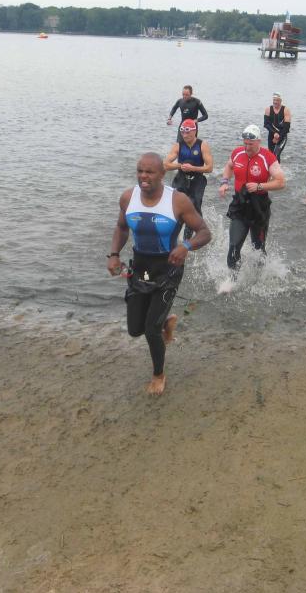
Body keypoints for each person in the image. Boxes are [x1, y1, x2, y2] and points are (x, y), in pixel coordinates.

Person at [107, 153, 211, 395]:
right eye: (140, 171)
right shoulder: (128, 197)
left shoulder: (178, 201)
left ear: (162, 175)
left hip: (168, 268)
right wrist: (113, 255)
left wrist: (186, 246)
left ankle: (158, 375)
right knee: (135, 329)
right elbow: (121, 228)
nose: (143, 176)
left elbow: (204, 232)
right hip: (140, 266)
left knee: (151, 330)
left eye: (150, 172)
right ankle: (164, 322)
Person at [217, 125, 285, 270]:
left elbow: (281, 182)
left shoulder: (268, 157)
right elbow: (229, 166)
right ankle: (232, 279)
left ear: (259, 141)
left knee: (258, 248)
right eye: (245, 143)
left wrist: (259, 186)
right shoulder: (237, 153)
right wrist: (224, 182)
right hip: (240, 204)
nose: (247, 147)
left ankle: (260, 276)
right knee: (233, 247)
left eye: (251, 144)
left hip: (259, 206)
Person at [163, 119, 214, 239]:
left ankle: (188, 239)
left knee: (193, 208)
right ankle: (172, 236)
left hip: (197, 180)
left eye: (187, 132)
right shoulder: (178, 146)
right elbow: (166, 165)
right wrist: (180, 166)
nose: (184, 135)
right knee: (176, 207)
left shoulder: (202, 145)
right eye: (182, 132)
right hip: (181, 179)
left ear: (194, 131)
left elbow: (209, 168)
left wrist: (193, 168)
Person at [263, 92, 292, 162]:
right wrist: (274, 133)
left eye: (277, 100)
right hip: (271, 135)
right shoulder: (268, 109)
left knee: (276, 154)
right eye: (274, 100)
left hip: (282, 135)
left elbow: (287, 127)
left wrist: (279, 137)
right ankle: (273, 168)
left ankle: (277, 168)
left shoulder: (286, 110)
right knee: (271, 155)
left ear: (281, 101)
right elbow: (266, 124)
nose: (275, 102)